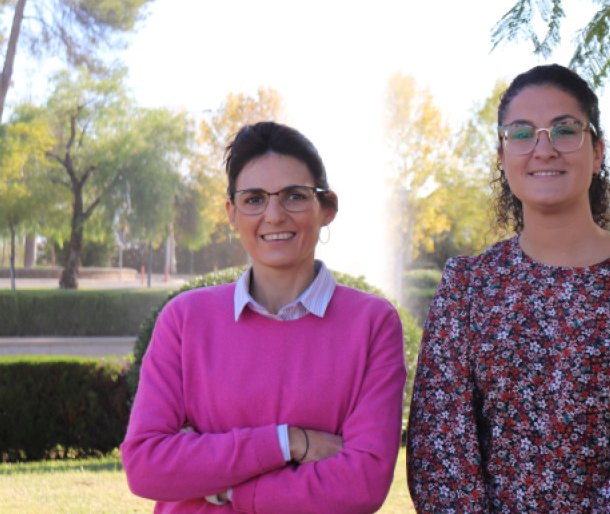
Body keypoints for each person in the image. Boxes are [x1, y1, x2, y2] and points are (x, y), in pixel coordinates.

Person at [406, 64, 610, 512]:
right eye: (522, 133)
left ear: (598, 151)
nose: (543, 149)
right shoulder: (468, 287)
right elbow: (441, 451)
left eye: (565, 130)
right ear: (501, 154)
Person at [122, 121, 407, 513]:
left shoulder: (373, 324)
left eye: (294, 196)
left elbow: (362, 483)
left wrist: (228, 490)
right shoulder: (185, 320)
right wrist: (288, 442)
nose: (274, 215)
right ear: (231, 213)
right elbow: (146, 466)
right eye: (254, 199)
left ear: (326, 209)